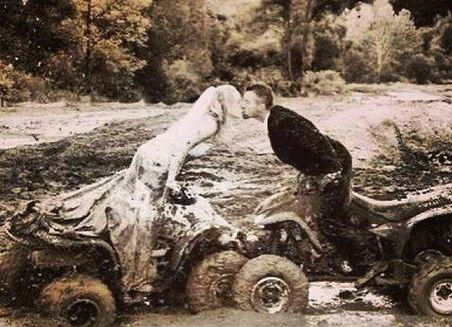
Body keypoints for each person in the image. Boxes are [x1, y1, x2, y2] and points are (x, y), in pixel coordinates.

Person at [10, 85, 243, 294]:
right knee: (148, 216)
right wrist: (170, 179)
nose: (238, 107)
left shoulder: (201, 117)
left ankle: (135, 263)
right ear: (226, 103)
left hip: (150, 152)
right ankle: (136, 279)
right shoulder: (210, 123)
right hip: (161, 160)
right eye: (237, 102)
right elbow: (181, 146)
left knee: (131, 202)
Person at [240, 83, 375, 272]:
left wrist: (332, 174)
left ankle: (369, 263)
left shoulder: (282, 121)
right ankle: (335, 257)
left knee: (328, 221)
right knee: (315, 210)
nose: (241, 105)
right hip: (327, 164)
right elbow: (303, 151)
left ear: (261, 106)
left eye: (246, 101)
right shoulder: (275, 120)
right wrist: (307, 176)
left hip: (335, 163)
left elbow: (317, 140)